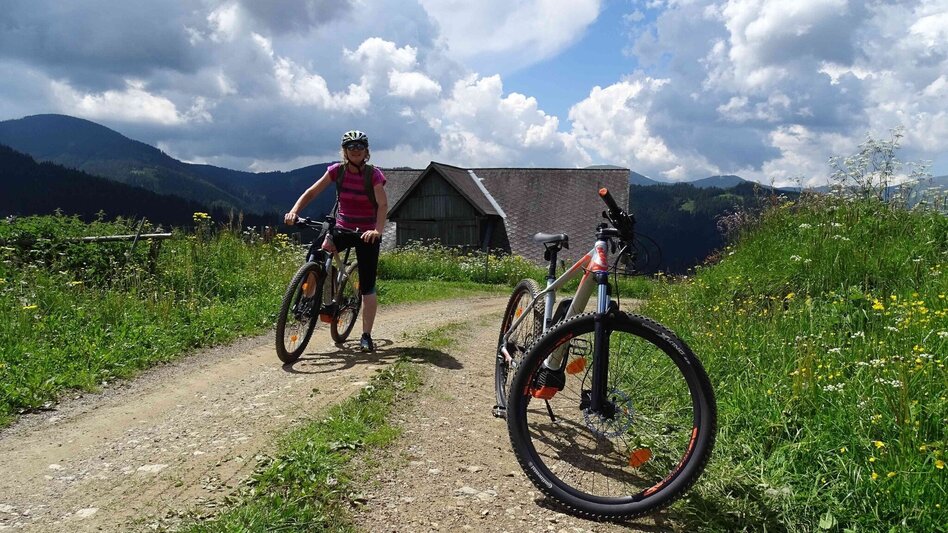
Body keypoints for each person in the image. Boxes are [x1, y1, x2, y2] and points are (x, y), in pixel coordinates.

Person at [284, 130, 388, 352]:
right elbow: (312, 192)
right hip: (342, 227)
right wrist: (294, 211)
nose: (356, 151)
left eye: (360, 147)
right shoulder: (337, 171)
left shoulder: (374, 175)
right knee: (317, 254)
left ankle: (366, 335)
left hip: (366, 233)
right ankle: (310, 301)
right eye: (351, 147)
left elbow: (382, 205)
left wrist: (377, 231)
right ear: (345, 151)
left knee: (367, 286)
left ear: (366, 151)